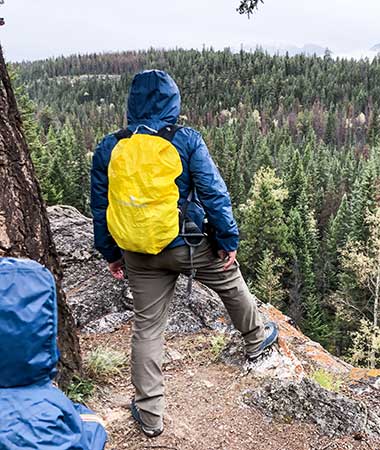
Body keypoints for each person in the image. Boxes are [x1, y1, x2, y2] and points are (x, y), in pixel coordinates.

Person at [90, 69, 278, 438]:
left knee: (147, 327)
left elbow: (101, 205)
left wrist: (110, 252)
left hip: (139, 253)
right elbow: (213, 192)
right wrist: (227, 240)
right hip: (189, 248)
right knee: (230, 281)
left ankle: (149, 415)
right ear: (173, 104)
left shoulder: (110, 146)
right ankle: (256, 340)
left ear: (132, 104)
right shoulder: (186, 139)